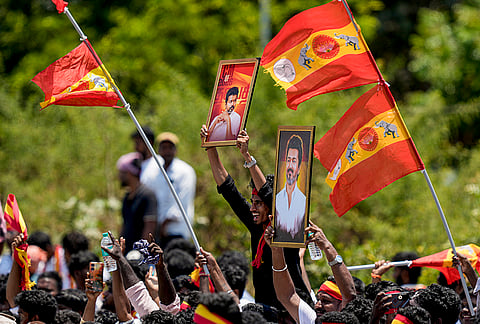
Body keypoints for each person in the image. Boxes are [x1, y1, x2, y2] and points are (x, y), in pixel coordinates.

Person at [201, 126, 309, 308]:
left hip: (293, 314)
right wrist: (210, 147)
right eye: (252, 202)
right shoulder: (255, 225)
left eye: (258, 203)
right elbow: (228, 189)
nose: (252, 208)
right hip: (264, 311)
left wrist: (247, 156)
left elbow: (270, 196)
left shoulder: (289, 227)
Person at [263, 221, 356, 323]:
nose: (317, 305)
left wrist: (327, 246)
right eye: (318, 300)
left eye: (326, 301)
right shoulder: (312, 321)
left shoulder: (348, 320)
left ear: (342, 305)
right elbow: (287, 296)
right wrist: (276, 250)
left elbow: (349, 295)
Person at [154, 132, 196, 246]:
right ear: (158, 150)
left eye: (170, 148)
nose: (167, 151)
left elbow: (182, 202)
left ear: (175, 150)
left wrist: (165, 223)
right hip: (159, 231)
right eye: (164, 148)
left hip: (177, 230)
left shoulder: (185, 171)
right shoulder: (156, 171)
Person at [116, 152, 157, 252]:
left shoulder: (147, 196)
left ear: (129, 173)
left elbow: (149, 229)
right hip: (127, 253)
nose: (119, 176)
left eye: (122, 172)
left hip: (139, 256)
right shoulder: (127, 197)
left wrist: (140, 253)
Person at [275, 134, 307, 242]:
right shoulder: (277, 199)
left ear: (298, 168)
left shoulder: (303, 202)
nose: (290, 165)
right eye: (288, 160)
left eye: (293, 161)